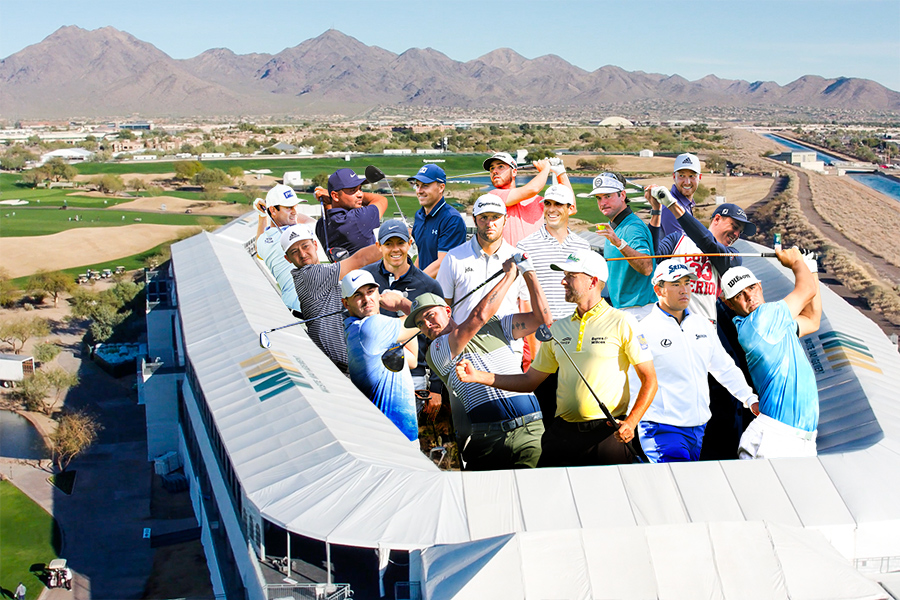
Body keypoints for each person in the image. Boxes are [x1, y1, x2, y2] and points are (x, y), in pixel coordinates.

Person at [456, 250, 657, 467]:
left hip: (606, 434)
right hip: (563, 433)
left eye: (571, 276)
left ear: (593, 281)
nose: (563, 281)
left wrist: (631, 422)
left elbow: (650, 380)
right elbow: (529, 382)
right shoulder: (559, 328)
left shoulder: (623, 322)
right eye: (565, 275)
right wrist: (478, 376)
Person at [408, 253, 552, 470]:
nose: (427, 324)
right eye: (420, 324)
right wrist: (510, 275)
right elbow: (478, 316)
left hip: (529, 430)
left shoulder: (498, 325)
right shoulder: (436, 350)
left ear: (447, 310)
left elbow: (542, 319)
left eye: (429, 315)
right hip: (486, 439)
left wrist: (528, 272)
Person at [637, 259, 759, 463]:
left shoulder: (702, 325)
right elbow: (631, 380)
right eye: (676, 284)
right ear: (659, 289)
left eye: (687, 282)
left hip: (698, 428)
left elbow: (724, 367)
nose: (684, 289)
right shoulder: (642, 330)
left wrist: (749, 398)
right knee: (678, 485)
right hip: (661, 428)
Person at [721, 247, 822, 459]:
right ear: (728, 303)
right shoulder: (762, 321)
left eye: (751, 288)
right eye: (740, 295)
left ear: (759, 285)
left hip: (800, 438)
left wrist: (810, 268)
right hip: (775, 438)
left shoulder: (775, 324)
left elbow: (812, 320)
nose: (750, 297)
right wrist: (796, 263)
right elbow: (807, 291)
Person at [516, 183, 591, 423]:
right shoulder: (525, 247)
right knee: (545, 408)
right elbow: (523, 300)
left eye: (558, 204)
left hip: (575, 338)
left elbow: (587, 297)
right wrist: (531, 347)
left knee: (576, 406)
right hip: (541, 337)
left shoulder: (583, 247)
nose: (551, 209)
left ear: (570, 209)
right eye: (547, 203)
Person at [363, 219, 445, 420]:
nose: (395, 249)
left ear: (410, 244)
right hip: (372, 372)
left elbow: (440, 339)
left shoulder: (429, 285)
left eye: (400, 243)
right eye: (388, 244)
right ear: (378, 246)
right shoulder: (364, 278)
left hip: (413, 376)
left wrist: (436, 387)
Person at [281, 223, 381, 373]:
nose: (302, 254)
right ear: (287, 258)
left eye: (305, 246)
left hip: (344, 364)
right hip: (339, 367)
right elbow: (361, 259)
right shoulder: (310, 275)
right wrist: (391, 244)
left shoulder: (320, 274)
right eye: (294, 251)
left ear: (315, 245)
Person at [649, 192, 755, 325]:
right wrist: (656, 212)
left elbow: (707, 243)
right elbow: (651, 257)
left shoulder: (733, 257)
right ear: (716, 219)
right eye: (734, 226)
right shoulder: (677, 240)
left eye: (740, 232)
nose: (736, 234)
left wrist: (672, 206)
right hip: (672, 325)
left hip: (706, 330)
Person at [341, 269, 420, 442]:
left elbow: (412, 359)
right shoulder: (369, 328)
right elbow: (423, 318)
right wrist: (400, 303)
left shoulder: (360, 328)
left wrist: (399, 313)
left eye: (370, 291)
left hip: (396, 436)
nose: (367, 299)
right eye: (358, 295)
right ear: (346, 304)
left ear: (378, 294)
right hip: (393, 440)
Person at [436, 193, 528, 324]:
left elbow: (526, 309)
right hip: (465, 343)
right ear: (474, 220)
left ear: (505, 220)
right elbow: (443, 308)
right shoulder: (454, 257)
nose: (490, 224)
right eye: (483, 217)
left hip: (507, 343)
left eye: (496, 217)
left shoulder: (518, 259)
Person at [581, 172, 655, 318]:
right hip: (625, 309)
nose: (602, 203)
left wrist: (619, 244)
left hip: (639, 310)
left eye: (608, 196)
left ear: (622, 195)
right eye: (599, 198)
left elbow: (647, 267)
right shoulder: (615, 225)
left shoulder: (633, 227)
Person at [483, 151, 572, 246]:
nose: (494, 171)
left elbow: (571, 207)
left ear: (514, 172)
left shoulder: (537, 200)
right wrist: (546, 168)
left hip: (534, 259)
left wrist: (561, 173)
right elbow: (533, 188)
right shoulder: (493, 196)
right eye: (491, 168)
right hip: (508, 260)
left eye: (500, 166)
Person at [253, 184, 315, 315]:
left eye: (295, 206)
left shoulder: (264, 241)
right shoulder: (297, 233)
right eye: (288, 207)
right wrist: (267, 212)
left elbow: (258, 249)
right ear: (273, 211)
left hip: (292, 310)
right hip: (311, 310)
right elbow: (310, 222)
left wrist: (263, 215)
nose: (295, 211)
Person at [408, 164, 466, 278]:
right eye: (417, 185)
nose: (419, 191)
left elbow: (443, 264)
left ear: (441, 187)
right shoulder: (419, 215)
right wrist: (411, 277)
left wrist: (415, 283)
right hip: (426, 286)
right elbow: (422, 254)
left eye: (425, 186)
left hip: (445, 291)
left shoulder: (451, 219)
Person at [313, 167, 388, 256]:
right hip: (368, 270)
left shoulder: (321, 226)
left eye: (360, 189)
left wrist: (329, 200)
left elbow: (329, 214)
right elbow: (381, 200)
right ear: (335, 196)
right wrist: (329, 198)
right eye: (353, 190)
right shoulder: (358, 219)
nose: (360, 194)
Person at [658, 153, 703, 240]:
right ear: (674, 177)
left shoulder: (684, 204)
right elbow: (680, 249)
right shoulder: (671, 208)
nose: (687, 182)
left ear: (699, 177)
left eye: (691, 176)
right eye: (681, 176)